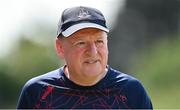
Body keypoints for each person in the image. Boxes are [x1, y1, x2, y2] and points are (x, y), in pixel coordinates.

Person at [17, 6, 153, 109]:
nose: (92, 51)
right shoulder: (36, 93)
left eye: (99, 41)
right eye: (81, 43)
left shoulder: (131, 91)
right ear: (60, 48)